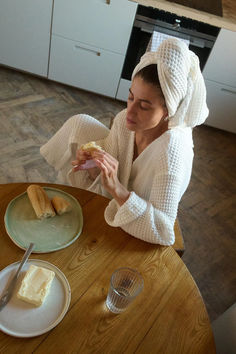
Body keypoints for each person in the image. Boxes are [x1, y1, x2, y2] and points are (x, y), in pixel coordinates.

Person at [40, 38, 209, 245]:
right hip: (122, 190)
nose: (130, 111)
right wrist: (93, 165)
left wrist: (118, 191)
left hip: (146, 204)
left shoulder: (172, 152)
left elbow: (164, 232)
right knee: (80, 123)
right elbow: (110, 167)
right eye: (130, 98)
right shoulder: (124, 121)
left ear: (168, 111)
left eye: (144, 106)